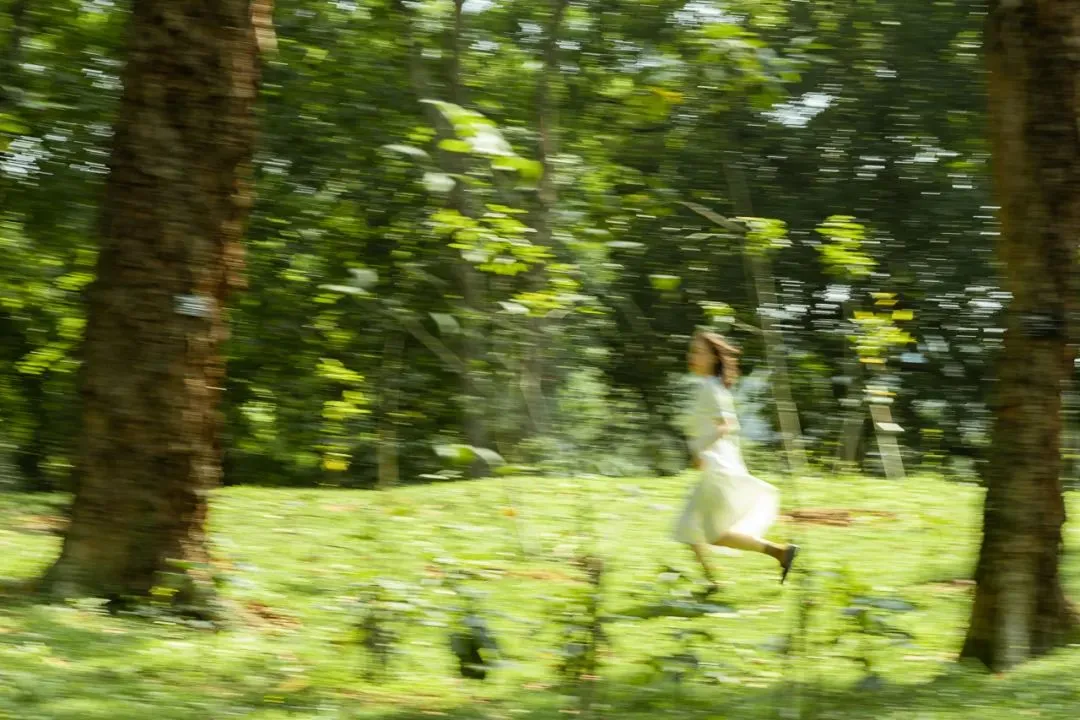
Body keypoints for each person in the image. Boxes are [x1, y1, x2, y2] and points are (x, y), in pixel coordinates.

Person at [674, 331, 798, 593]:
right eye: (691, 351)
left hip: (718, 473)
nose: (691, 356)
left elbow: (726, 425)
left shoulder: (710, 388)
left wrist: (698, 450)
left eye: (698, 352)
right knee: (704, 532)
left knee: (694, 530)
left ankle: (715, 582)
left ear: (713, 358)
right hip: (717, 471)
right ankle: (779, 553)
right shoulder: (712, 387)